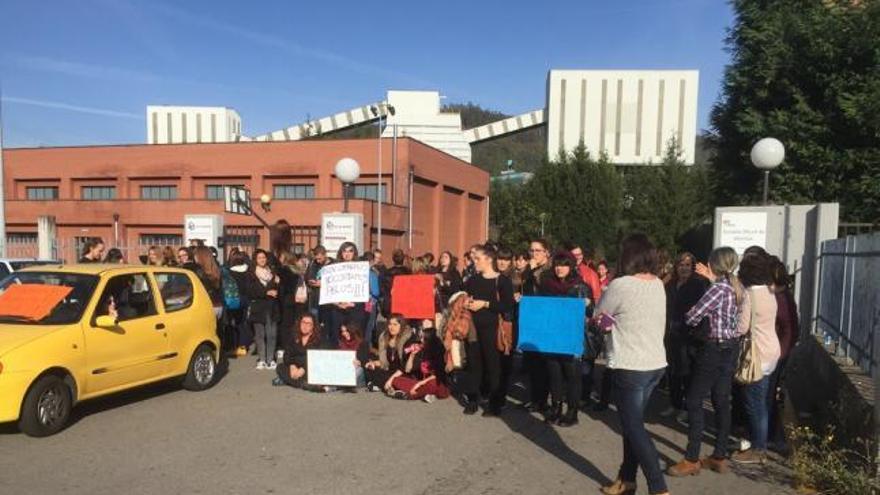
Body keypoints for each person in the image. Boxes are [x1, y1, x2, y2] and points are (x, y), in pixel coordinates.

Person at [595, 234, 669, 495]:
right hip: (655, 363)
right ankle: (626, 479)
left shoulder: (621, 285)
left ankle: (659, 489)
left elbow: (598, 315)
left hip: (631, 365)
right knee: (632, 424)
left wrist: (607, 322)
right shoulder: (658, 283)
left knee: (634, 428)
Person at [667, 247, 744, 477]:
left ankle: (691, 458)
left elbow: (693, 316)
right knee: (721, 400)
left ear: (714, 264)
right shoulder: (737, 288)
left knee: (693, 400)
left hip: (712, 348)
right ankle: (719, 455)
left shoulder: (717, 289)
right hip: (730, 348)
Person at [730, 253, 779, 465]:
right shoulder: (770, 291)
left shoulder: (750, 295)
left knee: (753, 404)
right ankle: (759, 443)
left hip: (757, 354)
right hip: (771, 350)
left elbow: (741, 327)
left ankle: (759, 449)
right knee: (762, 402)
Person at [539, 251, 591, 426]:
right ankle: (555, 408)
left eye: (564, 264)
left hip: (571, 338)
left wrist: (588, 305)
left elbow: (591, 313)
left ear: (572, 266)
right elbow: (539, 307)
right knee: (554, 374)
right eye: (557, 264)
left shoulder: (580, 287)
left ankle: (572, 412)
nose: (559, 268)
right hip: (551, 337)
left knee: (572, 376)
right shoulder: (546, 285)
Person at [462, 244, 515, 417]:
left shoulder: (502, 281)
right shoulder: (473, 280)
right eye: (474, 258)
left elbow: (507, 305)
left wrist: (485, 304)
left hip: (493, 328)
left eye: (478, 259)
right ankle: (473, 399)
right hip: (473, 327)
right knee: (473, 363)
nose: (474, 261)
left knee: (493, 366)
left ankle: (495, 403)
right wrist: (467, 303)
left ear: (488, 259)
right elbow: (466, 297)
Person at [661, 252, 709, 423]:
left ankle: (688, 408)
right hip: (671, 333)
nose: (684, 268)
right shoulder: (671, 283)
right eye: (681, 264)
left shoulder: (698, 284)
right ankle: (674, 404)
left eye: (688, 265)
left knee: (687, 373)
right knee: (672, 372)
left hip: (688, 335)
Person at [767, 256, 799, 451]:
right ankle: (771, 435)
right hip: (776, 352)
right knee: (769, 396)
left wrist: (780, 355)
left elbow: (791, 330)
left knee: (770, 396)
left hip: (777, 354)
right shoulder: (779, 296)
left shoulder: (782, 299)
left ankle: (774, 438)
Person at [522, 238, 552, 413]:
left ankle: (545, 400)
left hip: (546, 320)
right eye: (531, 251)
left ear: (546, 252)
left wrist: (533, 271)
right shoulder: (530, 269)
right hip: (531, 318)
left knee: (545, 363)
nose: (534, 254)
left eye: (538, 251)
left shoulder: (549, 270)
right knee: (532, 361)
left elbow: (546, 290)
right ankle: (535, 399)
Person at [388, 325, 450, 402]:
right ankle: (426, 395)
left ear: (430, 340)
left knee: (432, 384)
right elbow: (407, 369)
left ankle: (410, 395)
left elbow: (438, 374)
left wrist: (419, 384)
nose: (421, 340)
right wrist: (412, 355)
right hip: (421, 383)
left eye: (423, 338)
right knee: (396, 380)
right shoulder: (421, 351)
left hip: (436, 383)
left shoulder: (439, 353)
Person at [243, 249, 281, 370]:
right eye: (259, 258)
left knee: (272, 334)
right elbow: (249, 290)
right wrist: (266, 292)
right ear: (255, 259)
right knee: (260, 334)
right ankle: (262, 359)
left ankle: (271, 359)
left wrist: (278, 285)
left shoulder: (272, 272)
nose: (262, 260)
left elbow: (279, 289)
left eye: (264, 257)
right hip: (258, 307)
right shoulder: (250, 273)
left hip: (271, 306)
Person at [364, 314, 419, 395]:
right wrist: (374, 363)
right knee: (370, 369)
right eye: (390, 324)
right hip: (390, 371)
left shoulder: (409, 339)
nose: (391, 327)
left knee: (396, 379)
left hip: (403, 372)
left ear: (401, 325)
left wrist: (391, 379)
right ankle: (393, 388)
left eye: (395, 324)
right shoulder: (384, 338)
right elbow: (384, 362)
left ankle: (389, 386)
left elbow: (405, 367)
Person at [326, 242, 368, 348]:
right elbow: (329, 291)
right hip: (338, 309)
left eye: (350, 251)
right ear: (341, 253)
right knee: (337, 337)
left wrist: (355, 302)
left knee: (356, 337)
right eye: (344, 251)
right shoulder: (333, 268)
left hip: (356, 308)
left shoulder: (361, 269)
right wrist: (338, 304)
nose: (347, 254)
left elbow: (364, 289)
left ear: (355, 253)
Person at [274, 314, 324, 390]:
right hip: (295, 367)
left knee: (315, 373)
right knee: (280, 367)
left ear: (313, 326)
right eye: (303, 322)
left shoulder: (318, 339)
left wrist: (303, 369)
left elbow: (317, 358)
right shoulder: (294, 336)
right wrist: (292, 366)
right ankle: (303, 384)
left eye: (308, 323)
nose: (305, 325)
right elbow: (287, 355)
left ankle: (291, 381)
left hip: (309, 368)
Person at [226, 251, 252, 358]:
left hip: (234, 299)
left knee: (234, 322)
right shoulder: (248, 271)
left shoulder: (230, 272)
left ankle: (235, 345)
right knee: (244, 322)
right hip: (246, 298)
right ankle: (243, 345)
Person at [338, 320, 371, 389]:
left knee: (358, 370)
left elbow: (365, 361)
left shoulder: (362, 343)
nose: (344, 333)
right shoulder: (340, 343)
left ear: (352, 330)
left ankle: (340, 385)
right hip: (344, 367)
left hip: (357, 369)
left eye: (347, 331)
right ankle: (341, 384)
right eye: (342, 331)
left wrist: (359, 362)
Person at [304, 245, 330, 326]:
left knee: (326, 324)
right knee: (314, 322)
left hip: (327, 300)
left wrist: (323, 283)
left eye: (320, 258)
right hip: (315, 298)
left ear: (325, 255)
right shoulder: (313, 264)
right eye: (316, 259)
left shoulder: (332, 264)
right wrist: (310, 281)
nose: (318, 261)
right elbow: (307, 276)